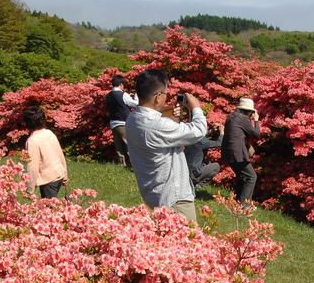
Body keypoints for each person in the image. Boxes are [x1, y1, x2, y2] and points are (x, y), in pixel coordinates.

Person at [122, 69, 207, 221]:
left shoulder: (132, 119)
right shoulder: (155, 125)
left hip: (154, 195)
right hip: (175, 201)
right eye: (165, 94)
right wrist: (196, 108)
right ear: (158, 97)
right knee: (188, 243)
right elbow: (198, 131)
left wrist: (168, 113)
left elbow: (155, 123)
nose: (167, 98)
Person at [23, 105, 68, 198]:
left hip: (49, 180)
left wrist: (29, 189)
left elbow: (32, 166)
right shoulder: (49, 133)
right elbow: (60, 154)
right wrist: (65, 174)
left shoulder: (32, 141)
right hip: (58, 174)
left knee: (49, 209)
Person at [222, 97, 261, 202]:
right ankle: (244, 205)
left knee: (241, 176)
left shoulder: (231, 117)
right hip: (237, 153)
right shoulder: (243, 118)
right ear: (249, 112)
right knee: (251, 177)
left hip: (228, 152)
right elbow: (256, 134)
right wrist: (256, 120)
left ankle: (235, 201)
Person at [106, 75, 139, 167]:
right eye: (123, 84)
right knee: (129, 145)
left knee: (119, 147)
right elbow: (136, 104)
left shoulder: (108, 95)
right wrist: (136, 96)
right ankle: (133, 166)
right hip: (123, 122)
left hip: (113, 123)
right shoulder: (123, 94)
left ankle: (122, 165)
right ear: (120, 84)